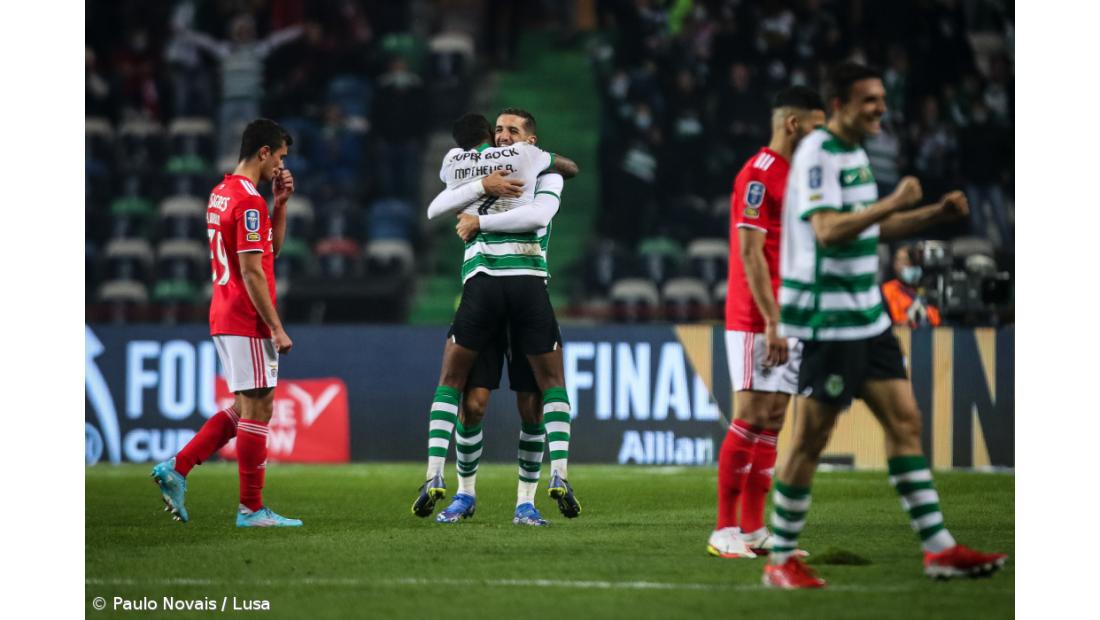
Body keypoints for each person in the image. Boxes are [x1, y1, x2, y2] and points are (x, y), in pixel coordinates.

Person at [764, 62, 1006, 588]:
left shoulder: (855, 152)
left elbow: (871, 227)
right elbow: (828, 231)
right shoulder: (818, 155)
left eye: (881, 97)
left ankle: (939, 549)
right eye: (870, 99)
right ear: (843, 105)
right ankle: (781, 559)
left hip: (866, 313)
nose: (881, 107)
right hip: (828, 317)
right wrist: (894, 201)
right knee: (810, 440)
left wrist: (932, 215)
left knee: (906, 422)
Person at [412, 113, 580, 527]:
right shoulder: (475, 172)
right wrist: (480, 187)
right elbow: (437, 206)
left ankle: (528, 500)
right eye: (499, 131)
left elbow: (539, 214)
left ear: (532, 142)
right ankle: (461, 494)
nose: (504, 137)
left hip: (524, 284)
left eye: (513, 132)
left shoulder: (545, 175)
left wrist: (479, 219)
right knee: (473, 403)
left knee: (532, 403)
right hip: (485, 287)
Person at [151, 119, 302, 528]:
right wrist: (275, 327)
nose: (282, 166)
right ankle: (251, 509)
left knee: (243, 407)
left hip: (224, 312)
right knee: (259, 408)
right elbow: (253, 272)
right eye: (281, 157)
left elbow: (267, 252)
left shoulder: (222, 193)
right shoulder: (247, 201)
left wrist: (281, 205)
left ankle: (178, 467)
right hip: (246, 315)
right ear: (264, 152)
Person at [708, 86, 826, 560]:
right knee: (750, 416)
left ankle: (755, 530)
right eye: (817, 128)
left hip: (790, 314)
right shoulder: (758, 176)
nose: (822, 139)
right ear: (793, 124)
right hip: (757, 316)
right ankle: (723, 529)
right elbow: (751, 254)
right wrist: (773, 321)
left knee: (774, 421)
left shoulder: (797, 176)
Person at [882, 245, 941, 327]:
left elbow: (936, 320)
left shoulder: (929, 289)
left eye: (911, 261)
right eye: (901, 260)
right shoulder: (888, 290)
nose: (907, 265)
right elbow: (894, 321)